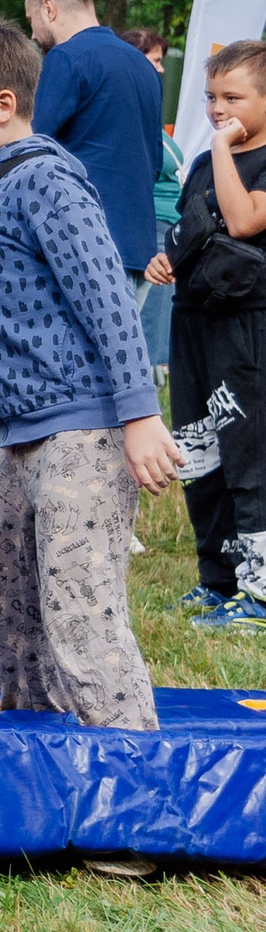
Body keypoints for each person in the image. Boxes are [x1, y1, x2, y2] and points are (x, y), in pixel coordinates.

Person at [0, 16, 176, 730]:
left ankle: (127, 807)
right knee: (2, 603)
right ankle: (45, 755)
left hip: (83, 429)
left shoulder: (46, 179)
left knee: (80, 613)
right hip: (24, 433)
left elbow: (108, 300)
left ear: (1, 104)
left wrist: (140, 415)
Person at [149, 40, 266, 629]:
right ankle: (217, 581)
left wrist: (222, 146)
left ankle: (261, 594)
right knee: (200, 453)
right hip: (192, 323)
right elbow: (190, 229)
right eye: (210, 98)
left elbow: (244, 221)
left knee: (250, 457)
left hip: (247, 328)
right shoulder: (202, 161)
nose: (218, 109)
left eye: (233, 97)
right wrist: (164, 260)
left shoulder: (249, 158)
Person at [27, 0, 165, 279]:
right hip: (139, 245)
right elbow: (154, 160)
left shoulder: (65, 58)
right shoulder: (144, 66)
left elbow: (32, 146)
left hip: (83, 243)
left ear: (49, 9)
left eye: (31, 20)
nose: (33, 35)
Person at [120, 26, 181, 381]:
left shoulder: (151, 119)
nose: (160, 70)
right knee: (143, 327)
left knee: (157, 324)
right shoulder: (129, 120)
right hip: (152, 230)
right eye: (155, 61)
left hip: (168, 231)